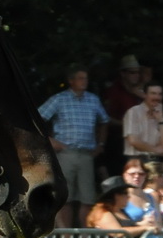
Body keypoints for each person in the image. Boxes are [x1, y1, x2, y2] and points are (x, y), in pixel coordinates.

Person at [37, 68, 109, 227]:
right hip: (66, 152)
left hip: (86, 153)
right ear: (71, 80)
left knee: (87, 197)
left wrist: (101, 144)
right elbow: (37, 119)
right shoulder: (59, 99)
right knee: (65, 197)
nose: (85, 81)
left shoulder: (93, 99)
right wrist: (51, 141)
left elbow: (104, 121)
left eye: (86, 78)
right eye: (81, 78)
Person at [122, 82, 163, 158]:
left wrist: (161, 120)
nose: (157, 97)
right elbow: (133, 141)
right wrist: (155, 149)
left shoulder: (161, 116)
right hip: (136, 161)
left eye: (160, 94)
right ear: (145, 95)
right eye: (153, 93)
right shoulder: (133, 112)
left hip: (155, 161)